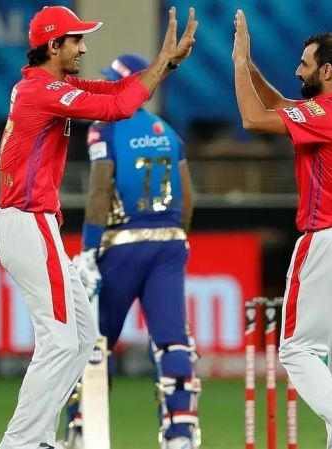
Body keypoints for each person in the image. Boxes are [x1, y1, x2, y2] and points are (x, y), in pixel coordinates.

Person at [0, 6, 197, 449]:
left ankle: (38, 439)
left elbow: (117, 89)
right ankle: (21, 443)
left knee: (80, 340)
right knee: (61, 341)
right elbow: (119, 105)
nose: (83, 47)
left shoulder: (51, 85)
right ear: (53, 45)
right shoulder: (42, 91)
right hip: (28, 221)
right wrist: (162, 64)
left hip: (34, 224)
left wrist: (167, 63)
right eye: (76, 40)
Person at [232, 10, 332, 449]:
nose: (298, 70)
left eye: (304, 64)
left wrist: (236, 61)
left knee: (297, 351)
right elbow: (287, 108)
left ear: (325, 69)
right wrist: (252, 70)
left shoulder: (327, 114)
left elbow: (253, 118)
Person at [68, 53, 198, 449]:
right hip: (169, 243)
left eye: (113, 81)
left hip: (121, 245)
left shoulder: (104, 129)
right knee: (172, 341)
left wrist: (89, 249)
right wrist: (176, 238)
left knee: (95, 343)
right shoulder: (169, 132)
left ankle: (80, 431)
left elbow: (99, 188)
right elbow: (188, 198)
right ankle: (180, 434)